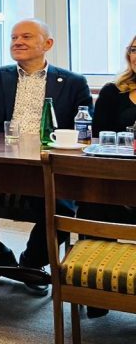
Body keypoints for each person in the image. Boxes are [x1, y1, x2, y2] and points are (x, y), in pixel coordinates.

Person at [0, 18, 91, 290]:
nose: (17, 42)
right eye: (13, 37)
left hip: (48, 170)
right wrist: (11, 151)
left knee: (65, 204)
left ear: (47, 44)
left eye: (26, 37)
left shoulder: (73, 83)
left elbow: (82, 133)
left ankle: (32, 262)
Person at [81, 35, 136, 318]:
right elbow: (97, 137)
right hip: (115, 179)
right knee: (89, 203)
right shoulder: (112, 91)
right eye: (135, 49)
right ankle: (96, 294)